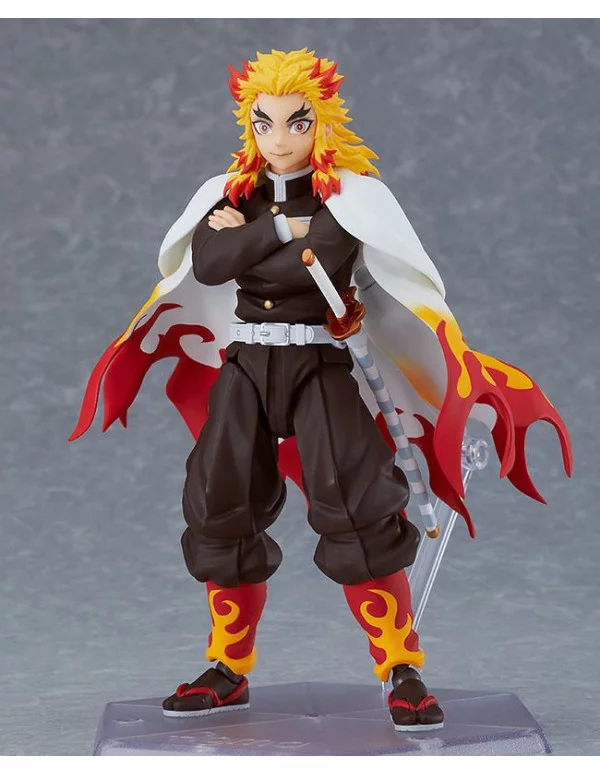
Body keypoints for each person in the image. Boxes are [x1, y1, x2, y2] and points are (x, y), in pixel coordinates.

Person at [70, 48, 572, 733]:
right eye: (264, 123)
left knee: (357, 505)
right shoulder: (233, 193)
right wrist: (281, 228)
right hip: (247, 364)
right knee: (220, 503)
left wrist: (256, 240)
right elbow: (210, 264)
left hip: (318, 363)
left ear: (322, 122)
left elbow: (315, 262)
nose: (279, 139)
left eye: (296, 122)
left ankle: (401, 667)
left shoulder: (349, 197)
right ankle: (227, 666)